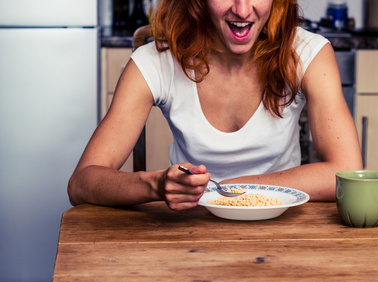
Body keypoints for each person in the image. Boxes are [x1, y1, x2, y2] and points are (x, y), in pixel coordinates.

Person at [68, 0, 362, 210]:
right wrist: (154, 185)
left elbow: (347, 170)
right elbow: (81, 183)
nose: (243, 10)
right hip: (189, 228)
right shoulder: (156, 61)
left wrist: (232, 189)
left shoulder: (308, 53)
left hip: (282, 226)